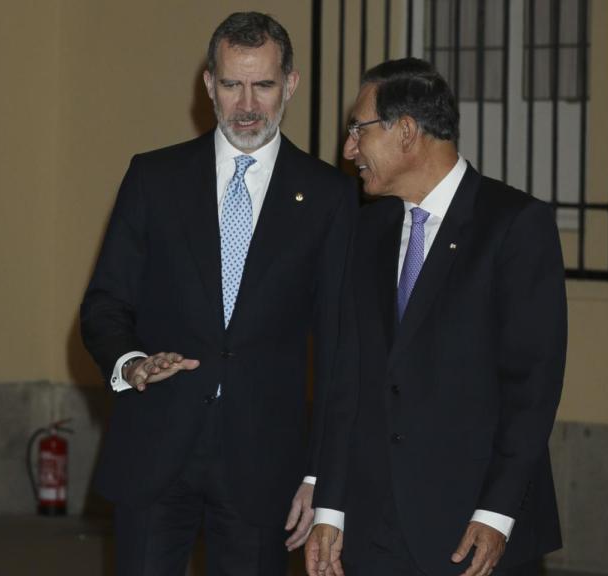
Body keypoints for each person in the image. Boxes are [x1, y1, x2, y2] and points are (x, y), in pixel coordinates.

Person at [80, 12, 356, 575]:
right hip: (156, 449)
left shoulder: (329, 197)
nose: (247, 105)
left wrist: (318, 475)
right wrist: (131, 363)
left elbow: (338, 350)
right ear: (208, 84)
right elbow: (105, 302)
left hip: (265, 466)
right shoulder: (153, 178)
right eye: (232, 85)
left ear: (291, 85)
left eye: (264, 85)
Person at [305, 58, 566, 576]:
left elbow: (532, 389)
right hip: (374, 530)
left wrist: (495, 514)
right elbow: (346, 380)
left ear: (406, 131)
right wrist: (329, 509)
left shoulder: (514, 225)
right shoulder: (368, 231)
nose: (348, 149)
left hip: (473, 534)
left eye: (359, 130)